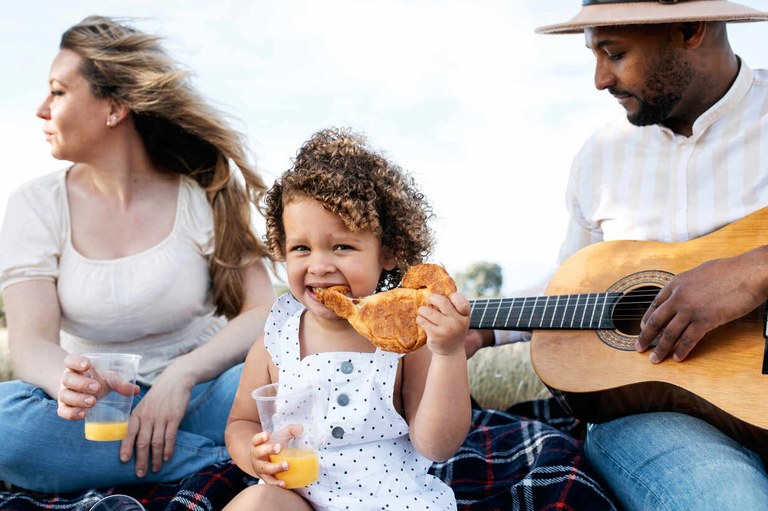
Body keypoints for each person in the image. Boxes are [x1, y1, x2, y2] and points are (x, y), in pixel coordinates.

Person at [468, 1, 768, 509]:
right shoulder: (599, 157)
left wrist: (753, 270)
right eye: (594, 55)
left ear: (691, 28)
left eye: (615, 52)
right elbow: (574, 284)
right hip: (652, 417)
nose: (600, 79)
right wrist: (483, 327)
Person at [0, 15, 276, 493]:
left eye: (58, 92)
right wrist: (69, 381)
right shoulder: (35, 205)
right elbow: (30, 344)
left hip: (204, 396)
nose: (42, 110)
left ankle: (142, 459)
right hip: (100, 412)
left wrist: (181, 376)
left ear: (114, 107)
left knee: (286, 383)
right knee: (6, 421)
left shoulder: (200, 194)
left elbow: (263, 310)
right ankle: (220, 460)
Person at [223, 127, 471, 510]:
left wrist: (448, 354)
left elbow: (437, 446)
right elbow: (242, 422)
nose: (319, 265)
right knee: (255, 503)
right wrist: (253, 456)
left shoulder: (404, 339)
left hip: (392, 500)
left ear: (388, 252)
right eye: (301, 248)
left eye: (342, 246)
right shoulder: (277, 339)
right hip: (299, 496)